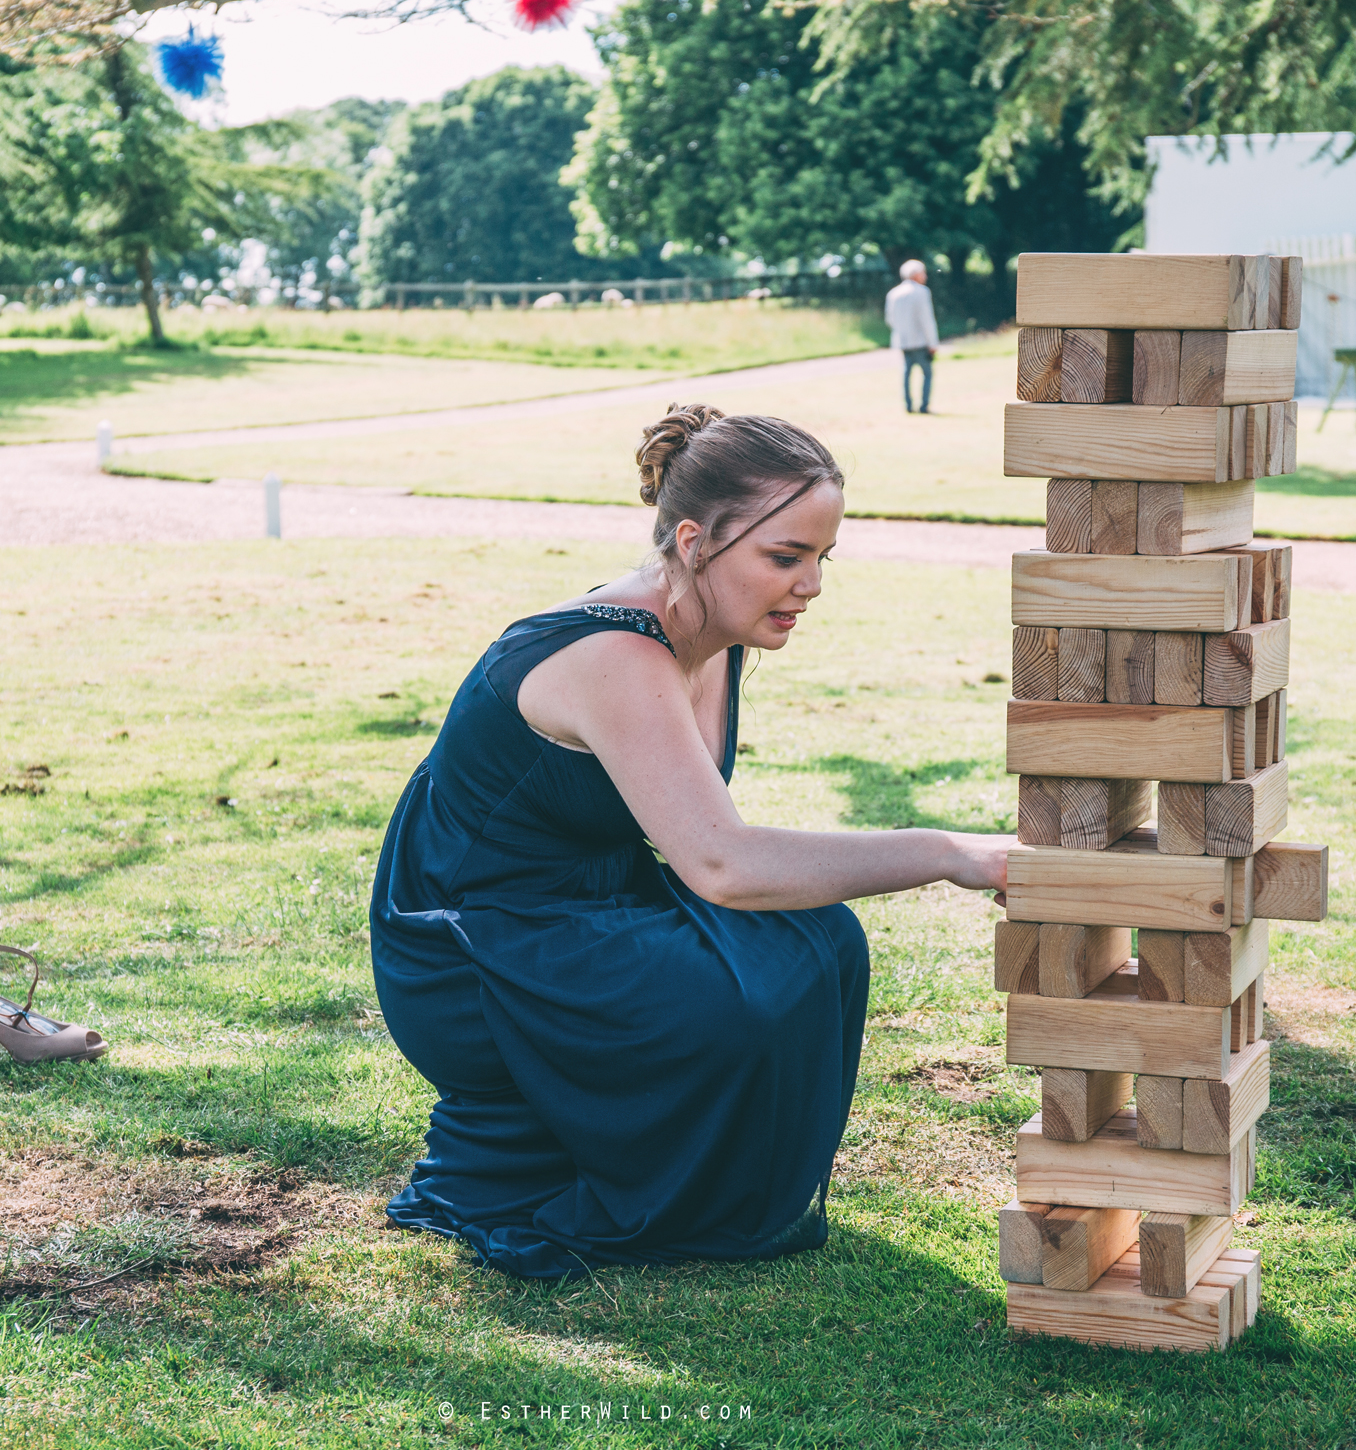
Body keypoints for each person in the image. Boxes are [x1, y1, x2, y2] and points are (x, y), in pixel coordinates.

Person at [370, 404, 1014, 1279]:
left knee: (816, 941)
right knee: (739, 996)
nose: (811, 585)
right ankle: (622, 1179)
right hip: (475, 945)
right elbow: (721, 865)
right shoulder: (615, 655)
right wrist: (950, 854)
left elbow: (709, 854)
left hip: (587, 906)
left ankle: (712, 1184)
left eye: (822, 559)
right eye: (785, 557)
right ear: (695, 539)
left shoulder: (714, 633)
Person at [885, 259, 939, 414]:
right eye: (923, 273)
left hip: (902, 341)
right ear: (916, 275)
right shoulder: (922, 292)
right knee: (927, 374)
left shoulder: (893, 293)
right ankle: (924, 405)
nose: (925, 276)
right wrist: (932, 342)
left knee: (906, 374)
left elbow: (890, 319)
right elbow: (926, 320)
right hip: (920, 341)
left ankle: (908, 405)